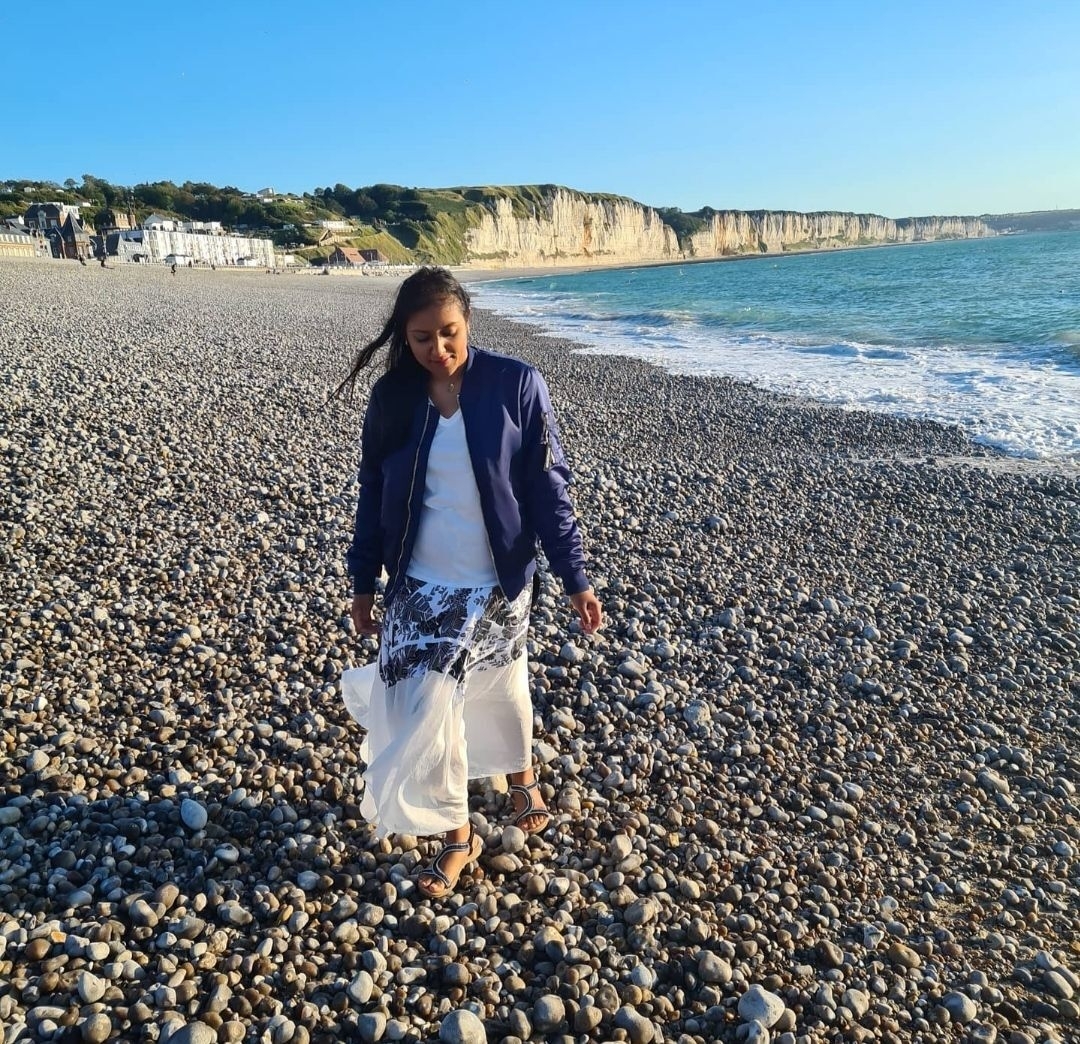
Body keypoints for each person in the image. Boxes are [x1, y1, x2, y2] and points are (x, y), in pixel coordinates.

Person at [337, 267, 602, 899]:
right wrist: (363, 580)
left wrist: (574, 576)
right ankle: (460, 836)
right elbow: (372, 493)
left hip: (495, 578)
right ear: (404, 336)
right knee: (425, 702)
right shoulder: (392, 397)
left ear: (468, 322)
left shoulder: (516, 384)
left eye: (449, 333)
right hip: (419, 580)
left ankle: (520, 775)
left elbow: (548, 487)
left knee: (497, 681)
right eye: (422, 338)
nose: (439, 349)